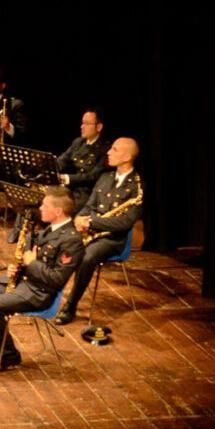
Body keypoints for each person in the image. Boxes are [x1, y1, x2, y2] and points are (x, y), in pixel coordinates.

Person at [0, 186, 83, 372]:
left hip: (39, 294)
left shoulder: (71, 241)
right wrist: (18, 269)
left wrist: (32, 263)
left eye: (45, 205)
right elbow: (30, 263)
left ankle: (9, 354)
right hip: (25, 283)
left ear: (58, 211)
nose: (40, 209)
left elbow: (57, 279)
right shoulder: (46, 231)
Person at [56, 137, 143, 325]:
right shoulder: (105, 177)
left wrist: (92, 222)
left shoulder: (137, 187)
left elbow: (125, 223)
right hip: (89, 230)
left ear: (127, 156)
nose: (109, 152)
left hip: (112, 240)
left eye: (114, 149)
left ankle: (70, 306)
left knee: (87, 256)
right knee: (57, 238)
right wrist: (80, 218)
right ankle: (44, 294)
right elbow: (90, 205)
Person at [56, 109, 110, 210]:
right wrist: (48, 167)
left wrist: (66, 178)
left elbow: (93, 176)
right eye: (82, 123)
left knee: (60, 207)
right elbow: (62, 161)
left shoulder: (105, 148)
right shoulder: (78, 142)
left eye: (87, 123)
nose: (82, 127)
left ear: (99, 127)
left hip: (87, 194)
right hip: (70, 189)